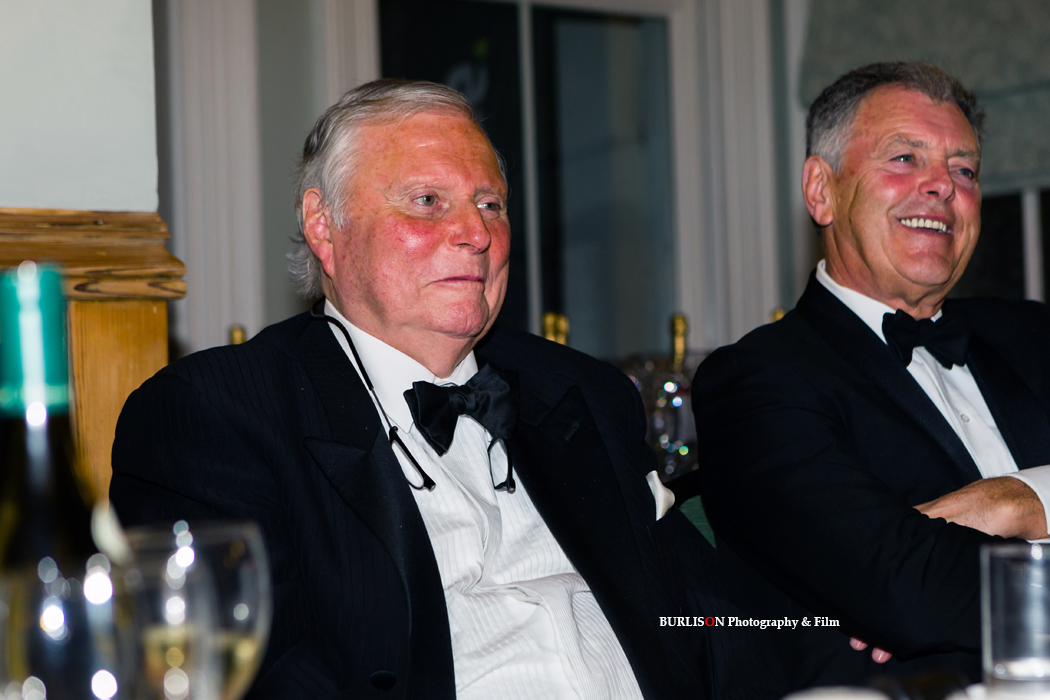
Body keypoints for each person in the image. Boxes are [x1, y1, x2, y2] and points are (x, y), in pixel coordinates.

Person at [111, 79, 784, 700]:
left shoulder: (582, 392)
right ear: (324, 225)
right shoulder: (218, 414)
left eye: (490, 204)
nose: (476, 234)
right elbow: (253, 673)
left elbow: (705, 613)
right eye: (427, 202)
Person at [693, 61, 1050, 689]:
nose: (942, 187)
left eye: (964, 170)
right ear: (821, 191)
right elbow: (908, 590)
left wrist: (1022, 498)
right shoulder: (756, 382)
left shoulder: (1036, 336)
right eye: (905, 159)